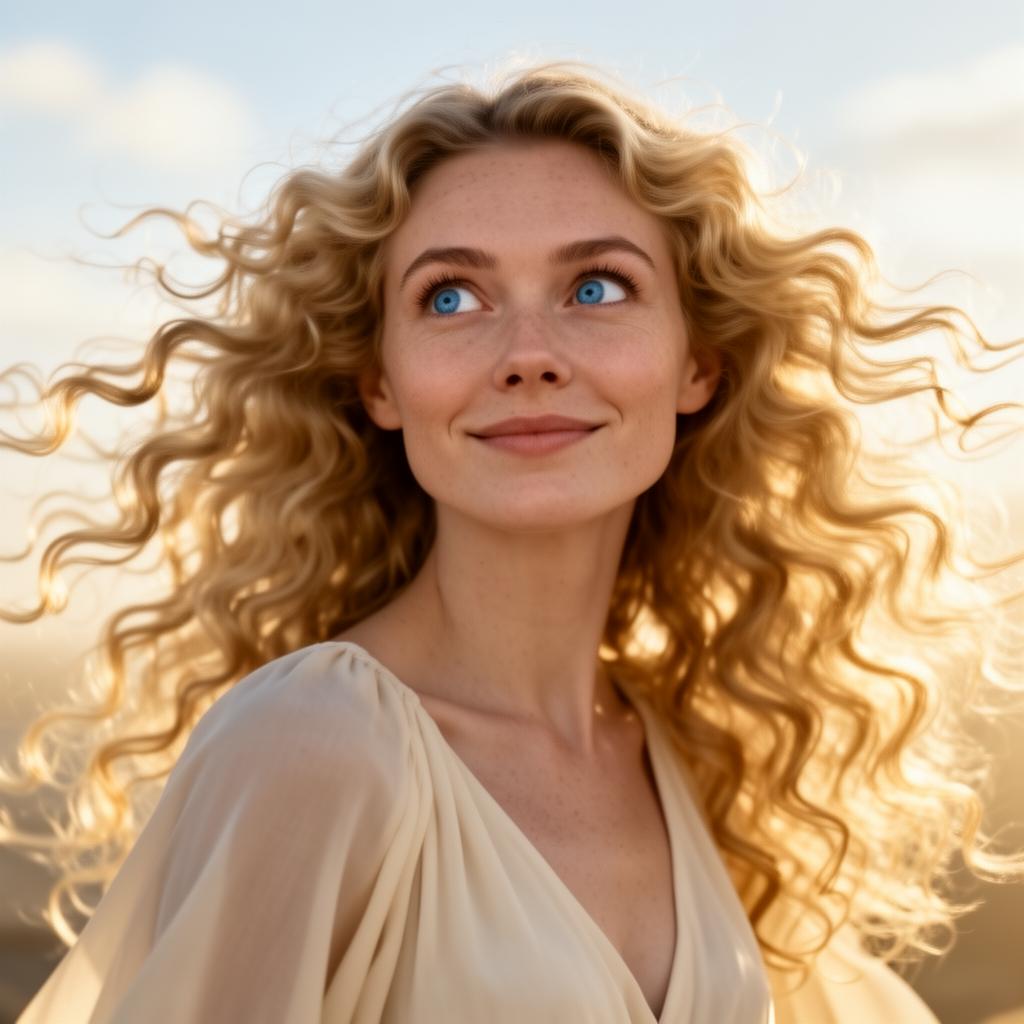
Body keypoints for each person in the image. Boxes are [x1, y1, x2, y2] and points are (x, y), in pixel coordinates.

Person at [2, 59, 1021, 1023]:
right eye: (451, 296)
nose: (528, 355)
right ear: (382, 383)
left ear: (695, 365)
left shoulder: (680, 756)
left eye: (596, 287)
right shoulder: (317, 744)